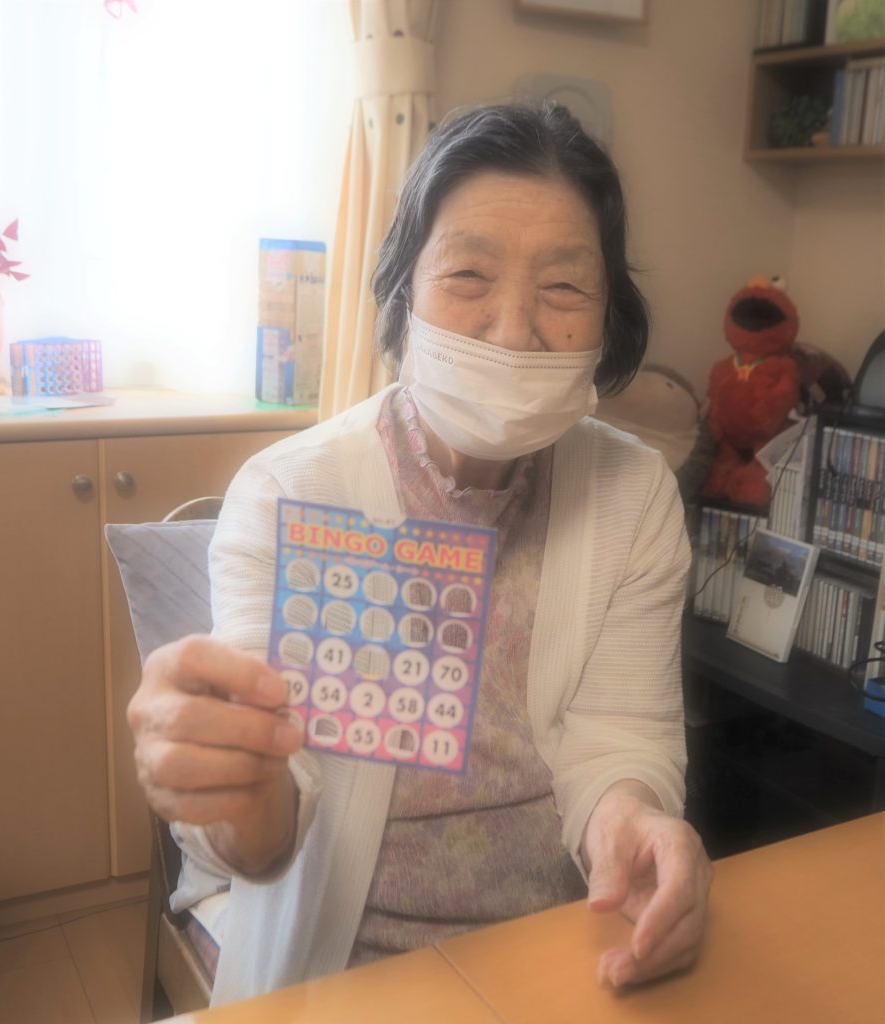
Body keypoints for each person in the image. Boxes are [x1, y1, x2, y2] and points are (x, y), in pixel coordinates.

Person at [127, 101, 713, 1007]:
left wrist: (631, 822)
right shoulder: (292, 494)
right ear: (404, 295)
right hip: (340, 971)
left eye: (565, 288)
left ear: (610, 320)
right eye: (468, 274)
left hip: (568, 953)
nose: (513, 329)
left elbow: (619, 738)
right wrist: (236, 791)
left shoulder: (632, 496)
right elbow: (271, 815)